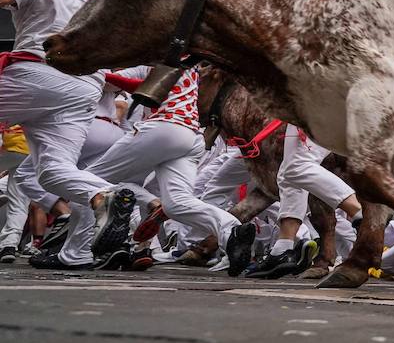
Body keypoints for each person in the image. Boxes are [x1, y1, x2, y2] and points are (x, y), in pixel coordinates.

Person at [49, 66, 256, 272]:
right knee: (178, 203)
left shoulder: (164, 53)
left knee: (89, 182)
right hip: (191, 136)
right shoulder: (190, 65)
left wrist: (90, 72)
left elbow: (118, 83)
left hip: (162, 128)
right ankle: (232, 230)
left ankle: (75, 255)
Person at [0, 0, 134, 269]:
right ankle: (87, 229)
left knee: (45, 172)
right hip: (85, 88)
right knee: (53, 170)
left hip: (37, 74)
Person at [250, 124, 363, 279]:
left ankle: (359, 213)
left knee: (297, 166)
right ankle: (282, 250)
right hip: (309, 106)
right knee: (287, 174)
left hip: (317, 105)